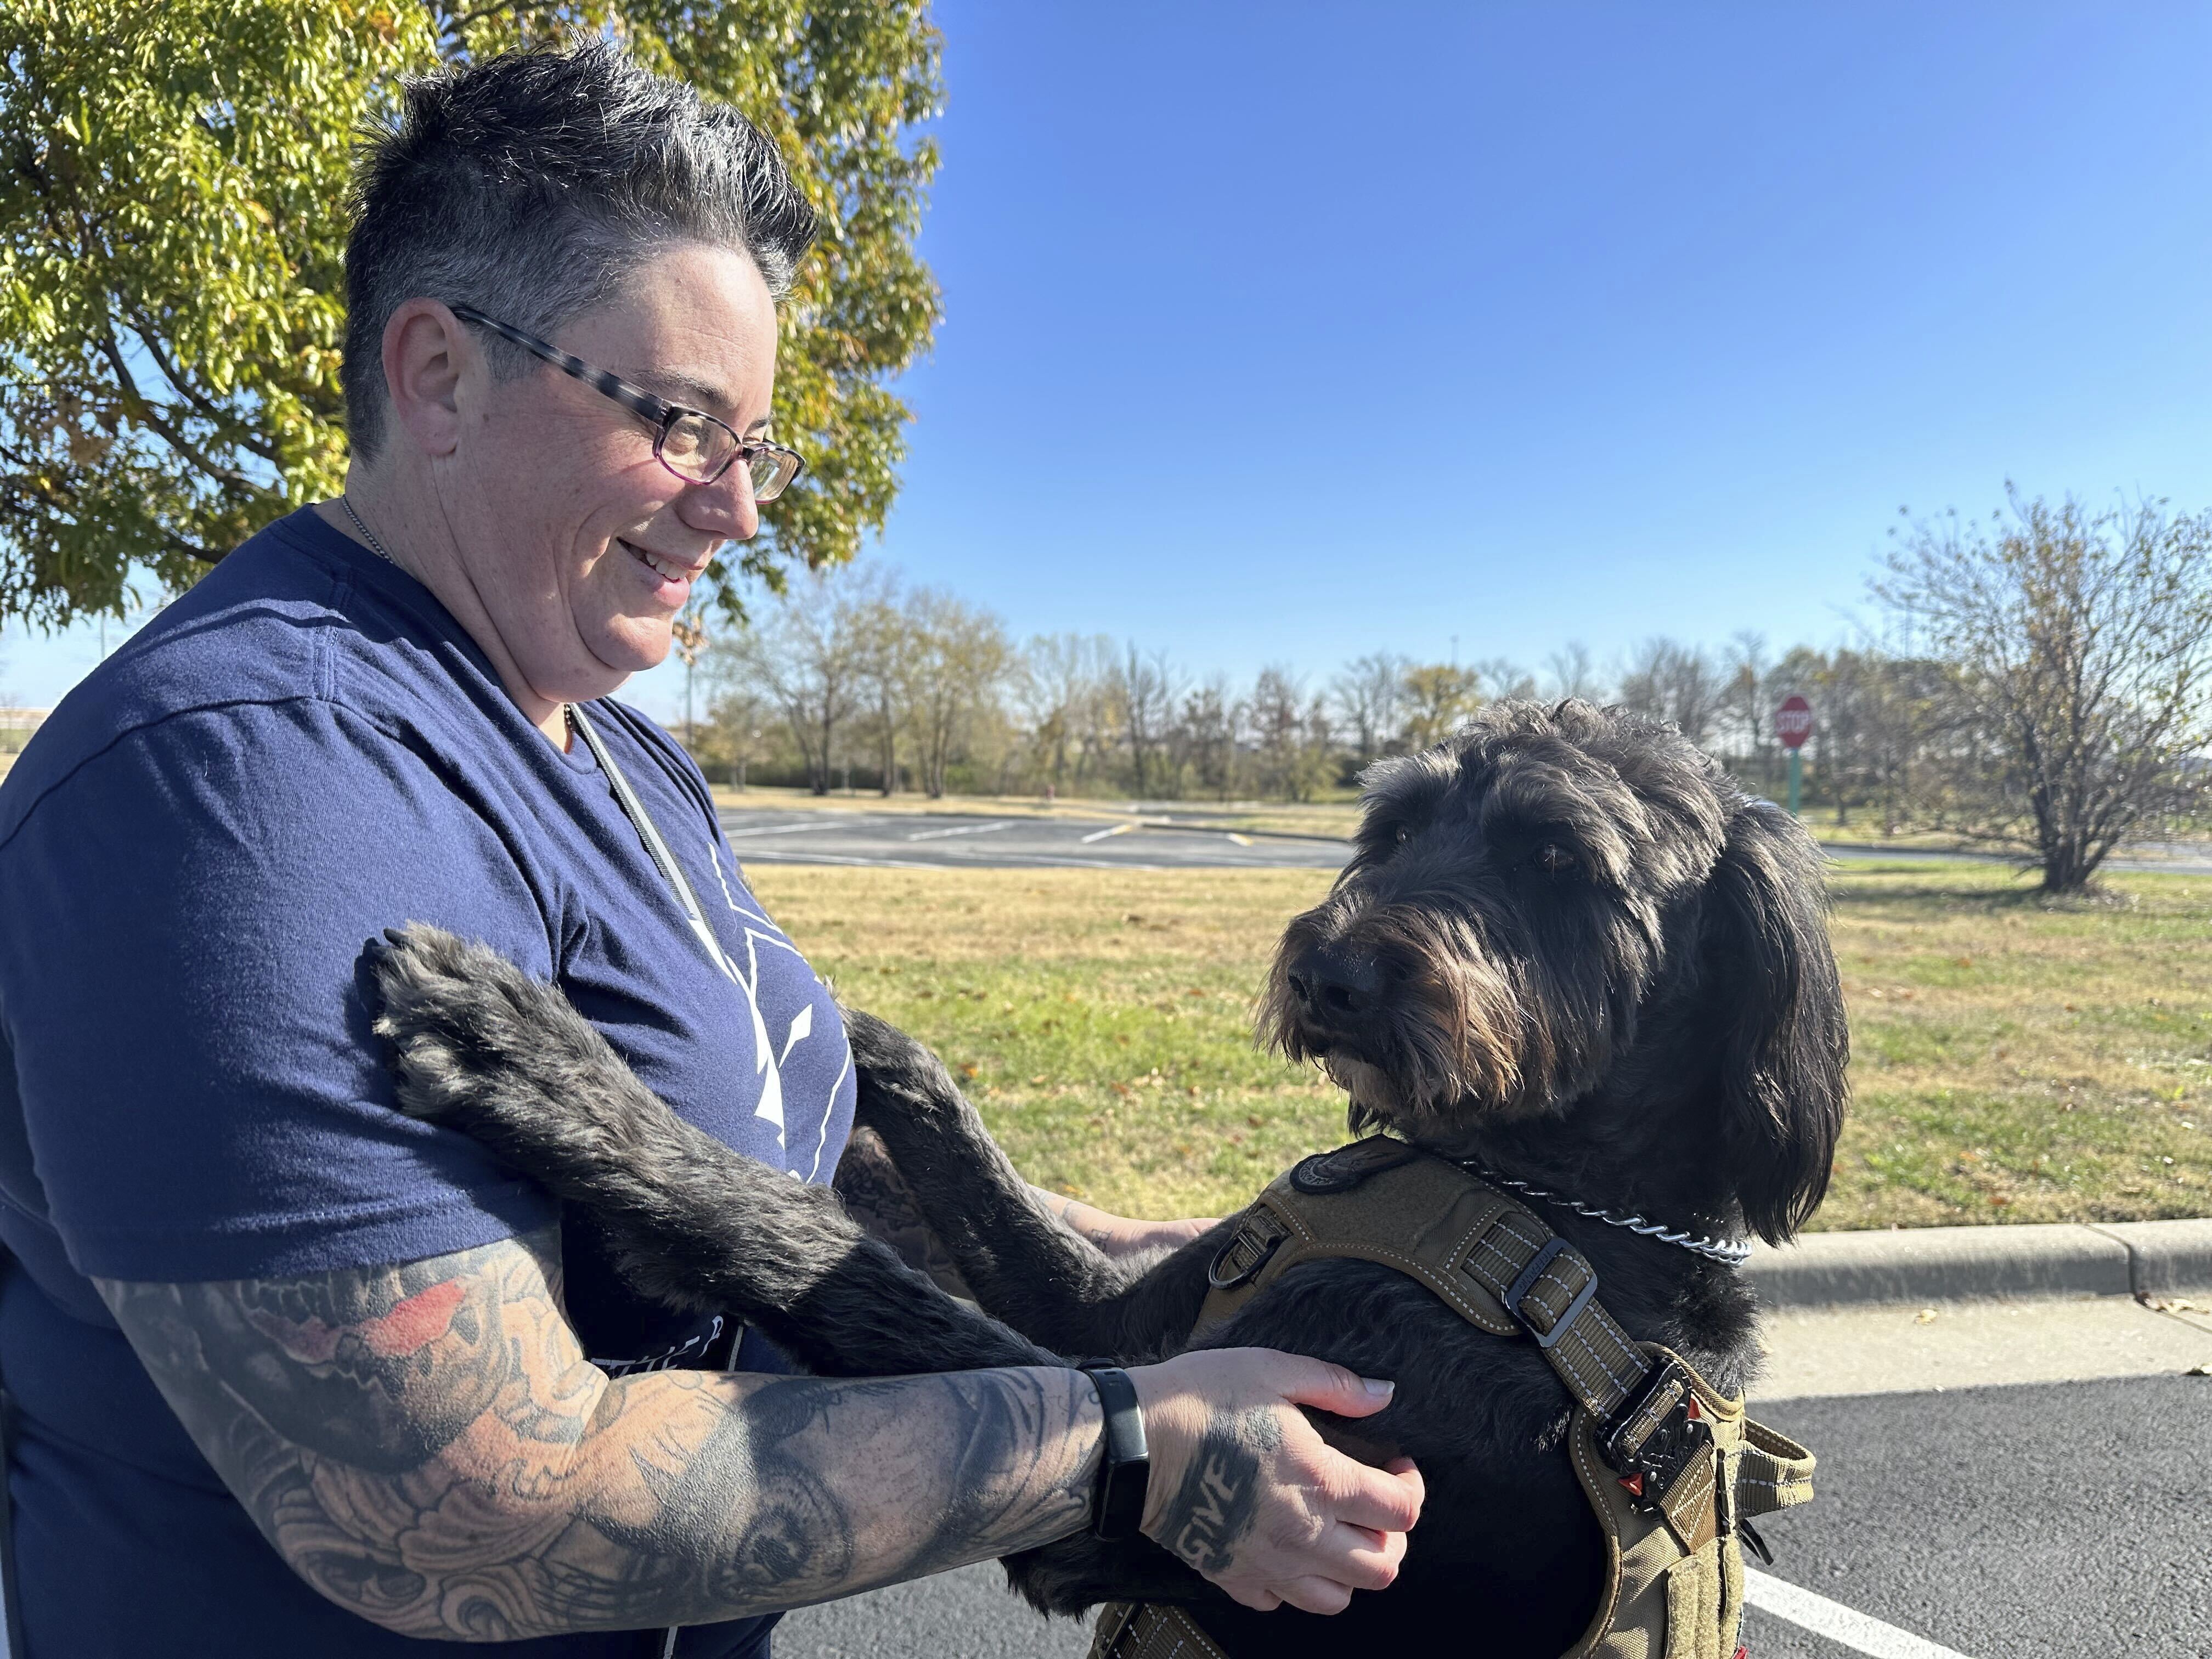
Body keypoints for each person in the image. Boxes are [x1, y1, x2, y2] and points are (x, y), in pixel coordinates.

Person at [0, 43, 1421, 1658]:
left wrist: (1112, 1258)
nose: (737, 512)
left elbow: (765, 1147)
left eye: (755, 447)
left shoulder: (607, 744)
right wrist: (1126, 1446)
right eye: (678, 425)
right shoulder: (258, 779)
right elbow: (470, 1509)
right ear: (437, 373)